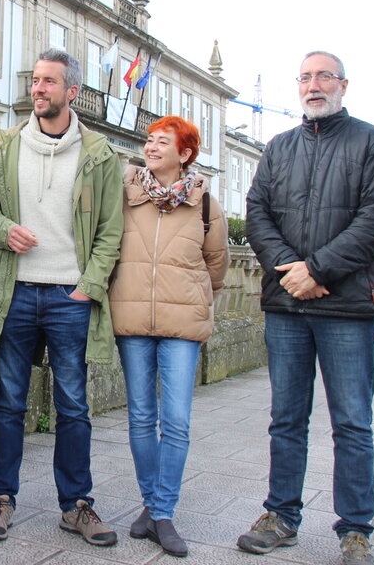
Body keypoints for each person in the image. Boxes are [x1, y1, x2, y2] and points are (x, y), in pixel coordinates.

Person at [238, 51, 374, 565]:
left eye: (323, 76)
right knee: (286, 418)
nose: (313, 85)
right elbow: (257, 212)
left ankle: (355, 531)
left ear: (343, 85)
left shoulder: (372, 142)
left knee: (352, 422)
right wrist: (292, 268)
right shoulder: (279, 147)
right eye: (305, 77)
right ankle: (281, 515)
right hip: (287, 305)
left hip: (347, 307)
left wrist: (319, 270)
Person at [0, 49, 124, 547]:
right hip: (15, 292)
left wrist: (89, 287)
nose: (37, 89)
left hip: (69, 296)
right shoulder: (5, 147)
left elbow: (109, 233)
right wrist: (3, 229)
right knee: (9, 400)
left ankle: (77, 504)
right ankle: (1, 498)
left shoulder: (99, 154)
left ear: (71, 92)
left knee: (74, 405)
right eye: (35, 81)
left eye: (48, 82)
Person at [109, 115, 229, 557]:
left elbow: (217, 265)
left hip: (182, 323)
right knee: (141, 416)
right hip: (132, 316)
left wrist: (189, 295)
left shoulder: (203, 203)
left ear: (185, 154)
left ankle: (161, 511)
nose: (153, 146)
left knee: (175, 420)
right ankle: (152, 506)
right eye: (150, 140)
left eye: (164, 141)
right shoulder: (125, 192)